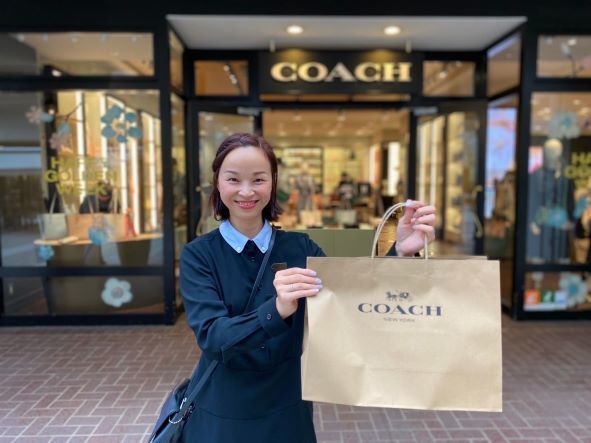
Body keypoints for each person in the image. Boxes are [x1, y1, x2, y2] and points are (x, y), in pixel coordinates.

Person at [179, 133, 436, 443]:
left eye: (258, 179)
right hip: (223, 410)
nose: (246, 191)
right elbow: (213, 336)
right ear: (218, 183)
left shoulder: (300, 247)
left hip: (288, 409)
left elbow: (351, 300)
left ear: (272, 182)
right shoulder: (199, 255)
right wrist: (276, 310)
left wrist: (401, 251)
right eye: (233, 179)